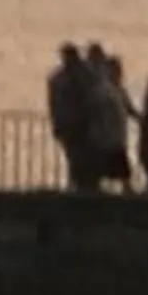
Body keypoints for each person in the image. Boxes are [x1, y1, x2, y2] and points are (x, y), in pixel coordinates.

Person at [85, 42, 135, 190]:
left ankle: (122, 187)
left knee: (116, 162)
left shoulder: (116, 90)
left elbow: (129, 108)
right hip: (106, 133)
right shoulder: (103, 89)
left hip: (114, 134)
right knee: (111, 162)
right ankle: (99, 187)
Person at [47, 44, 97, 192]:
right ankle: (79, 184)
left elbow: (54, 103)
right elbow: (54, 103)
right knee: (76, 156)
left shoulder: (61, 78)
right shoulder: (81, 75)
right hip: (75, 124)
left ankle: (80, 184)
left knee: (79, 156)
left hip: (79, 124)